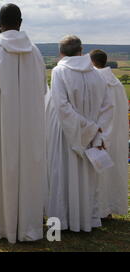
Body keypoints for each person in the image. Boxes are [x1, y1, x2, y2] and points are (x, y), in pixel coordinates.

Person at [0, 4, 47, 243]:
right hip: (30, 125)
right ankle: (27, 227)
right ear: (21, 22)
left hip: (0, 125)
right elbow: (42, 89)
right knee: (27, 171)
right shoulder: (35, 52)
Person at [46, 36, 113, 232]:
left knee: (63, 174)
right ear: (81, 50)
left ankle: (64, 221)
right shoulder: (97, 74)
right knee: (86, 179)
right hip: (91, 133)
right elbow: (108, 106)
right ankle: (86, 219)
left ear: (61, 52)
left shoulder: (59, 71)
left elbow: (61, 105)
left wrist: (84, 127)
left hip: (66, 132)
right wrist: (96, 130)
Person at [90, 49, 128, 218]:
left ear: (92, 62)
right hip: (117, 133)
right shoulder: (117, 83)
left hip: (100, 132)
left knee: (98, 174)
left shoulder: (96, 80)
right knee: (112, 171)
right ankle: (109, 208)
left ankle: (99, 209)